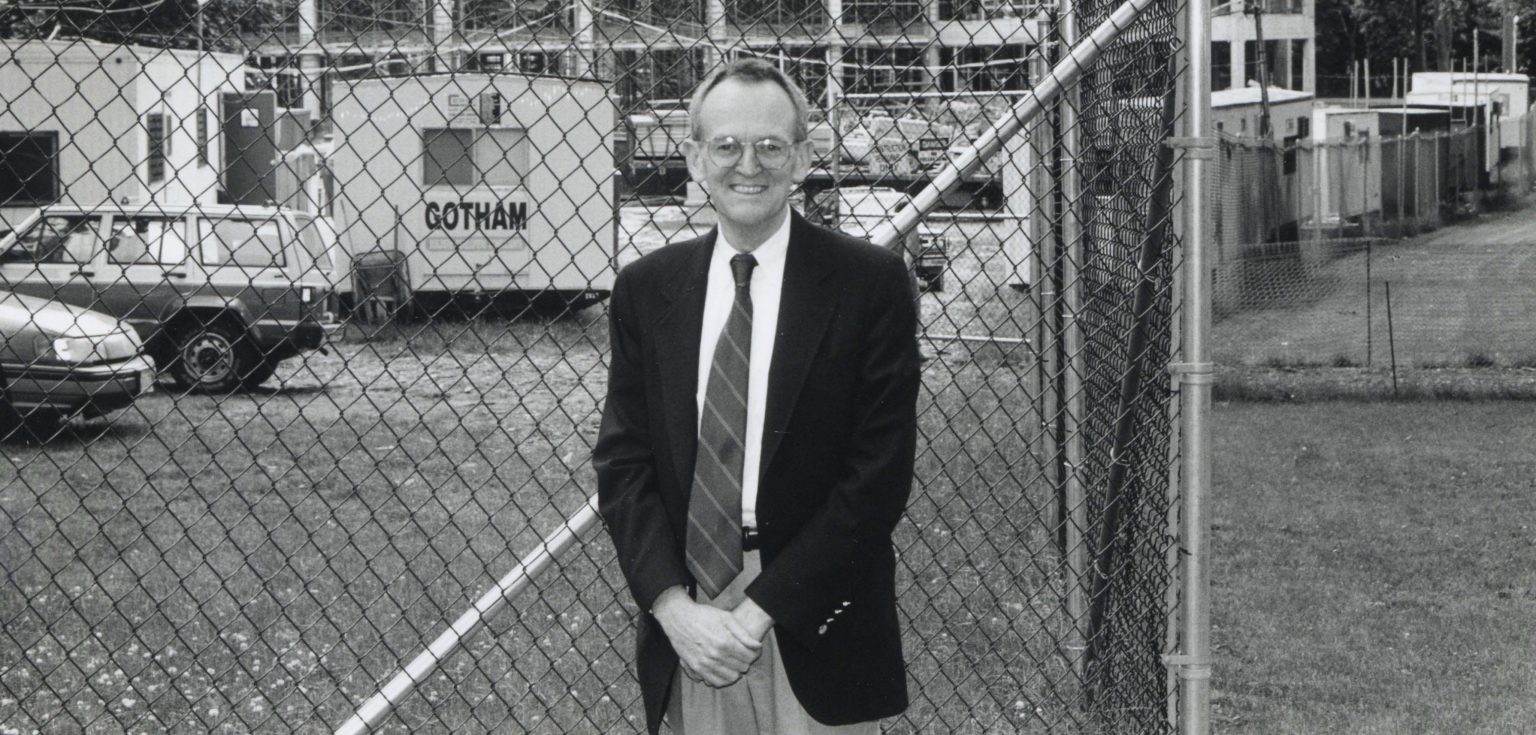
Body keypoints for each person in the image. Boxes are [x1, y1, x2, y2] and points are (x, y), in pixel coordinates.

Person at [594, 58, 922, 735]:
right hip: (693, 611)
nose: (750, 164)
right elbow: (624, 465)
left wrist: (757, 611)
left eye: (771, 145)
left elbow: (877, 477)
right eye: (727, 145)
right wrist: (672, 608)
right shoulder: (647, 290)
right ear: (695, 156)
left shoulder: (869, 285)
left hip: (817, 603)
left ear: (802, 155)